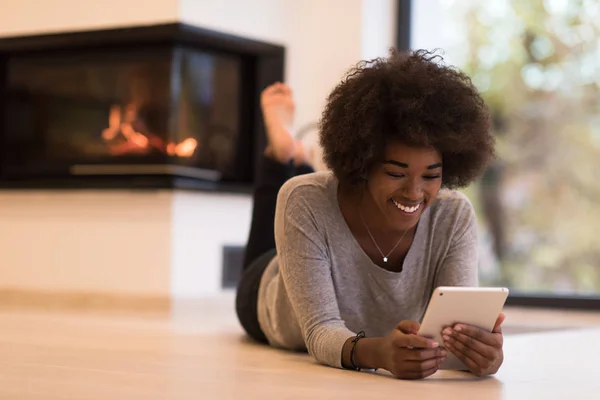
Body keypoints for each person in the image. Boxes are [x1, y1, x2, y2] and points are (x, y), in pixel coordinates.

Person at [235, 49, 502, 380]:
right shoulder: (304, 200)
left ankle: (295, 154)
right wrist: (378, 354)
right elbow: (319, 331)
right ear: (363, 164)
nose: (415, 192)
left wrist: (482, 354)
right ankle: (283, 153)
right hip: (272, 299)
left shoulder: (453, 215)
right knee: (290, 203)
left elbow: (453, 333)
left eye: (431, 176)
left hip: (317, 236)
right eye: (395, 173)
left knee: (304, 193)